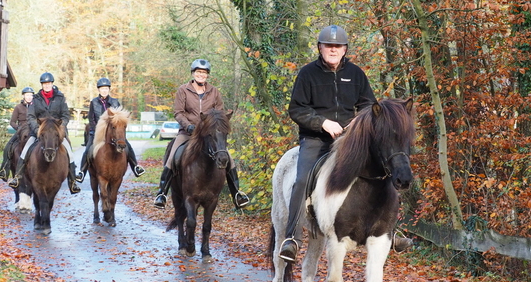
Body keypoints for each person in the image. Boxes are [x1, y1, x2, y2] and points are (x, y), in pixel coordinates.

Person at [278, 25, 413, 263]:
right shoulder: (307, 74)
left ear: (344, 49)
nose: (333, 49)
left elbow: (369, 107)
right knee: (301, 179)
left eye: (337, 46)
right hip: (315, 139)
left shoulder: (356, 74)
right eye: (328, 46)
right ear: (320, 48)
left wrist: (356, 127)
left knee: (383, 170)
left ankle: (391, 231)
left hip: (349, 139)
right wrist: (323, 123)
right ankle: (292, 238)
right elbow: (297, 109)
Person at [152, 59, 250, 210]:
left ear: (207, 75)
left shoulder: (214, 92)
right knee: (173, 156)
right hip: (187, 133)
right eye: (198, 72)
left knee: (227, 157)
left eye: (204, 73)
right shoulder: (183, 90)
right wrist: (189, 126)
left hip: (208, 135)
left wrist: (216, 125)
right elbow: (178, 113)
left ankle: (237, 193)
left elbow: (219, 114)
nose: (201, 75)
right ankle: (162, 194)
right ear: (193, 73)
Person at [8, 72, 81, 194]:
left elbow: (65, 115)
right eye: (44, 84)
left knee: (69, 151)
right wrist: (38, 130)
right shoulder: (35, 99)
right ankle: (17, 177)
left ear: (52, 84)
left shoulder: (60, 97)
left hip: (57, 133)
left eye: (49, 83)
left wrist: (61, 128)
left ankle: (72, 182)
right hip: (39, 132)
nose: (47, 86)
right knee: (26, 149)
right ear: (42, 85)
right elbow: (31, 116)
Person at [76, 77, 145, 183]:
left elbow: (120, 117)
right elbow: (91, 118)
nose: (104, 90)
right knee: (88, 149)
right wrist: (97, 130)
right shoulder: (94, 102)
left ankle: (135, 167)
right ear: (99, 90)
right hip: (97, 133)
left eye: (106, 88)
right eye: (102, 88)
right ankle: (81, 172)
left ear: (109, 90)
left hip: (113, 132)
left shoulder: (115, 102)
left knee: (127, 146)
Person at [0, 87, 35, 180]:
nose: (29, 97)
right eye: (27, 95)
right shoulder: (18, 107)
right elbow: (12, 122)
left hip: (33, 130)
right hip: (21, 130)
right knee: (8, 147)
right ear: (23, 96)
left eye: (31, 95)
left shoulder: (35, 107)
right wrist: (18, 128)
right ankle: (4, 171)